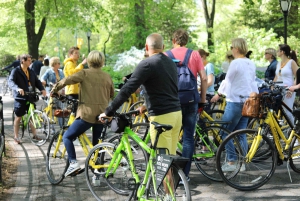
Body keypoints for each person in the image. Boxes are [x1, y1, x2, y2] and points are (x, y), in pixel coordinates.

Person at [99, 34, 182, 191]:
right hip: (176, 114)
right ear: (163, 47)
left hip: (161, 117)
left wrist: (109, 111)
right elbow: (164, 89)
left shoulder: (147, 64)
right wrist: (144, 107)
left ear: (146, 47)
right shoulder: (170, 63)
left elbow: (127, 90)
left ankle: (167, 196)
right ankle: (168, 193)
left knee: (162, 163)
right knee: (168, 159)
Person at [51, 50, 114, 177]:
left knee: (67, 136)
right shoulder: (107, 76)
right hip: (103, 114)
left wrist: (55, 89)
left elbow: (67, 80)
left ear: (89, 61)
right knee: (98, 143)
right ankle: (98, 170)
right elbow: (112, 94)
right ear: (102, 62)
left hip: (86, 114)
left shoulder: (84, 73)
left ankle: (73, 163)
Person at [165, 29, 207, 181]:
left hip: (172, 102)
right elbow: (203, 78)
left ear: (173, 40)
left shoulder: (166, 55)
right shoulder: (194, 54)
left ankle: (169, 173)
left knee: (170, 137)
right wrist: (202, 98)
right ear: (186, 41)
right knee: (189, 138)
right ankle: (185, 175)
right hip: (191, 100)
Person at [211, 38, 258, 171]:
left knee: (224, 132)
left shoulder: (236, 63)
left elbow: (227, 81)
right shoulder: (250, 63)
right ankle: (243, 163)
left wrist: (218, 94)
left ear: (236, 49)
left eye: (232, 47)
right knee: (241, 133)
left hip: (235, 102)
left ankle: (231, 162)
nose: (231, 49)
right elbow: (253, 82)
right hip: (247, 102)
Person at [8, 54, 47, 144]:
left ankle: (34, 135)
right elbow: (11, 82)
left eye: (30, 60)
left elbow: (37, 81)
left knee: (32, 116)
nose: (30, 62)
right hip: (20, 97)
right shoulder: (16, 71)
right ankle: (16, 137)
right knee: (18, 117)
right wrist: (18, 89)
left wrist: (42, 89)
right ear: (23, 61)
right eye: (29, 60)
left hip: (30, 96)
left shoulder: (31, 71)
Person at [273, 44, 298, 125]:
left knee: (287, 112)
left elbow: (297, 77)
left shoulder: (291, 62)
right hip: (278, 89)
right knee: (277, 111)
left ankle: (294, 132)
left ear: (282, 52)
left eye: (278, 50)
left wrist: (292, 88)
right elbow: (276, 77)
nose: (277, 52)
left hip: (288, 89)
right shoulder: (278, 63)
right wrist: (272, 86)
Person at [41, 57, 65, 130]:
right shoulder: (49, 71)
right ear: (54, 64)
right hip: (51, 91)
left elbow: (64, 80)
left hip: (59, 92)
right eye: (58, 63)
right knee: (51, 109)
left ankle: (62, 128)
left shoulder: (60, 71)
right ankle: (51, 128)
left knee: (60, 109)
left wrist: (64, 89)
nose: (59, 64)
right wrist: (43, 82)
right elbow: (42, 78)